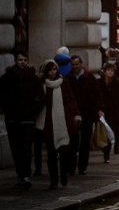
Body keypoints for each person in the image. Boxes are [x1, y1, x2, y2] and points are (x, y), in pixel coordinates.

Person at [0, 53, 43, 190]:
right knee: (16, 148)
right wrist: (7, 108)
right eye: (20, 60)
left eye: (25, 60)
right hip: (12, 118)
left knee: (26, 148)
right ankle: (20, 174)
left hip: (28, 119)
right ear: (15, 61)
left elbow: (41, 97)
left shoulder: (33, 78)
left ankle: (25, 176)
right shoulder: (7, 78)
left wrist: (33, 110)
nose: (23, 62)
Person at [35, 60, 80, 190]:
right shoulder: (42, 85)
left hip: (63, 121)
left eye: (55, 69)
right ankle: (53, 180)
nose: (53, 72)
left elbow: (71, 98)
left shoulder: (64, 83)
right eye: (50, 70)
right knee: (51, 154)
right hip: (48, 122)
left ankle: (63, 173)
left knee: (65, 151)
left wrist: (76, 114)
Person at [65, 55, 101, 176]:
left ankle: (82, 167)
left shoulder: (89, 77)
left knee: (85, 142)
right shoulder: (68, 78)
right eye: (73, 65)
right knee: (73, 142)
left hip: (87, 114)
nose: (75, 67)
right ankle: (71, 166)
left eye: (77, 64)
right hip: (73, 115)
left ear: (81, 64)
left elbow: (97, 95)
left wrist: (98, 109)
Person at [97, 62, 119, 162]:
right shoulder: (99, 83)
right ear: (104, 71)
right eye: (108, 70)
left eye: (112, 71)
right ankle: (106, 151)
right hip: (103, 111)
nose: (110, 72)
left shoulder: (118, 83)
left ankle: (112, 149)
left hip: (115, 111)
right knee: (104, 132)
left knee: (114, 130)